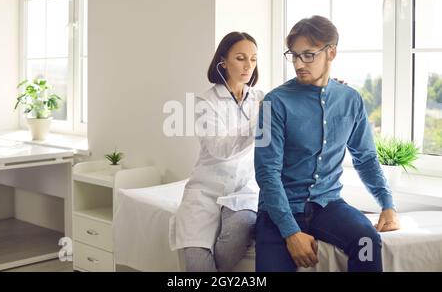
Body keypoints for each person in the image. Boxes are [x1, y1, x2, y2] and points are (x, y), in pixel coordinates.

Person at [254, 15, 400, 272]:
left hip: (328, 205)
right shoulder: (273, 103)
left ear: (331, 52)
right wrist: (290, 233)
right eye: (294, 55)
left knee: (367, 241)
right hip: (279, 211)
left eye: (308, 55)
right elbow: (267, 173)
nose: (299, 63)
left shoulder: (351, 100)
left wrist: (387, 204)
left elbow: (365, 159)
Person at [169, 32, 264, 272]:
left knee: (241, 226)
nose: (248, 66)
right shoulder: (205, 102)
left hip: (244, 190)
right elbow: (219, 149)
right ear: (223, 61)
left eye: (253, 59)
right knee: (197, 262)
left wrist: (325, 88)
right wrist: (259, 121)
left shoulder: (260, 99)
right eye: (241, 58)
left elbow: (294, 106)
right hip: (205, 191)